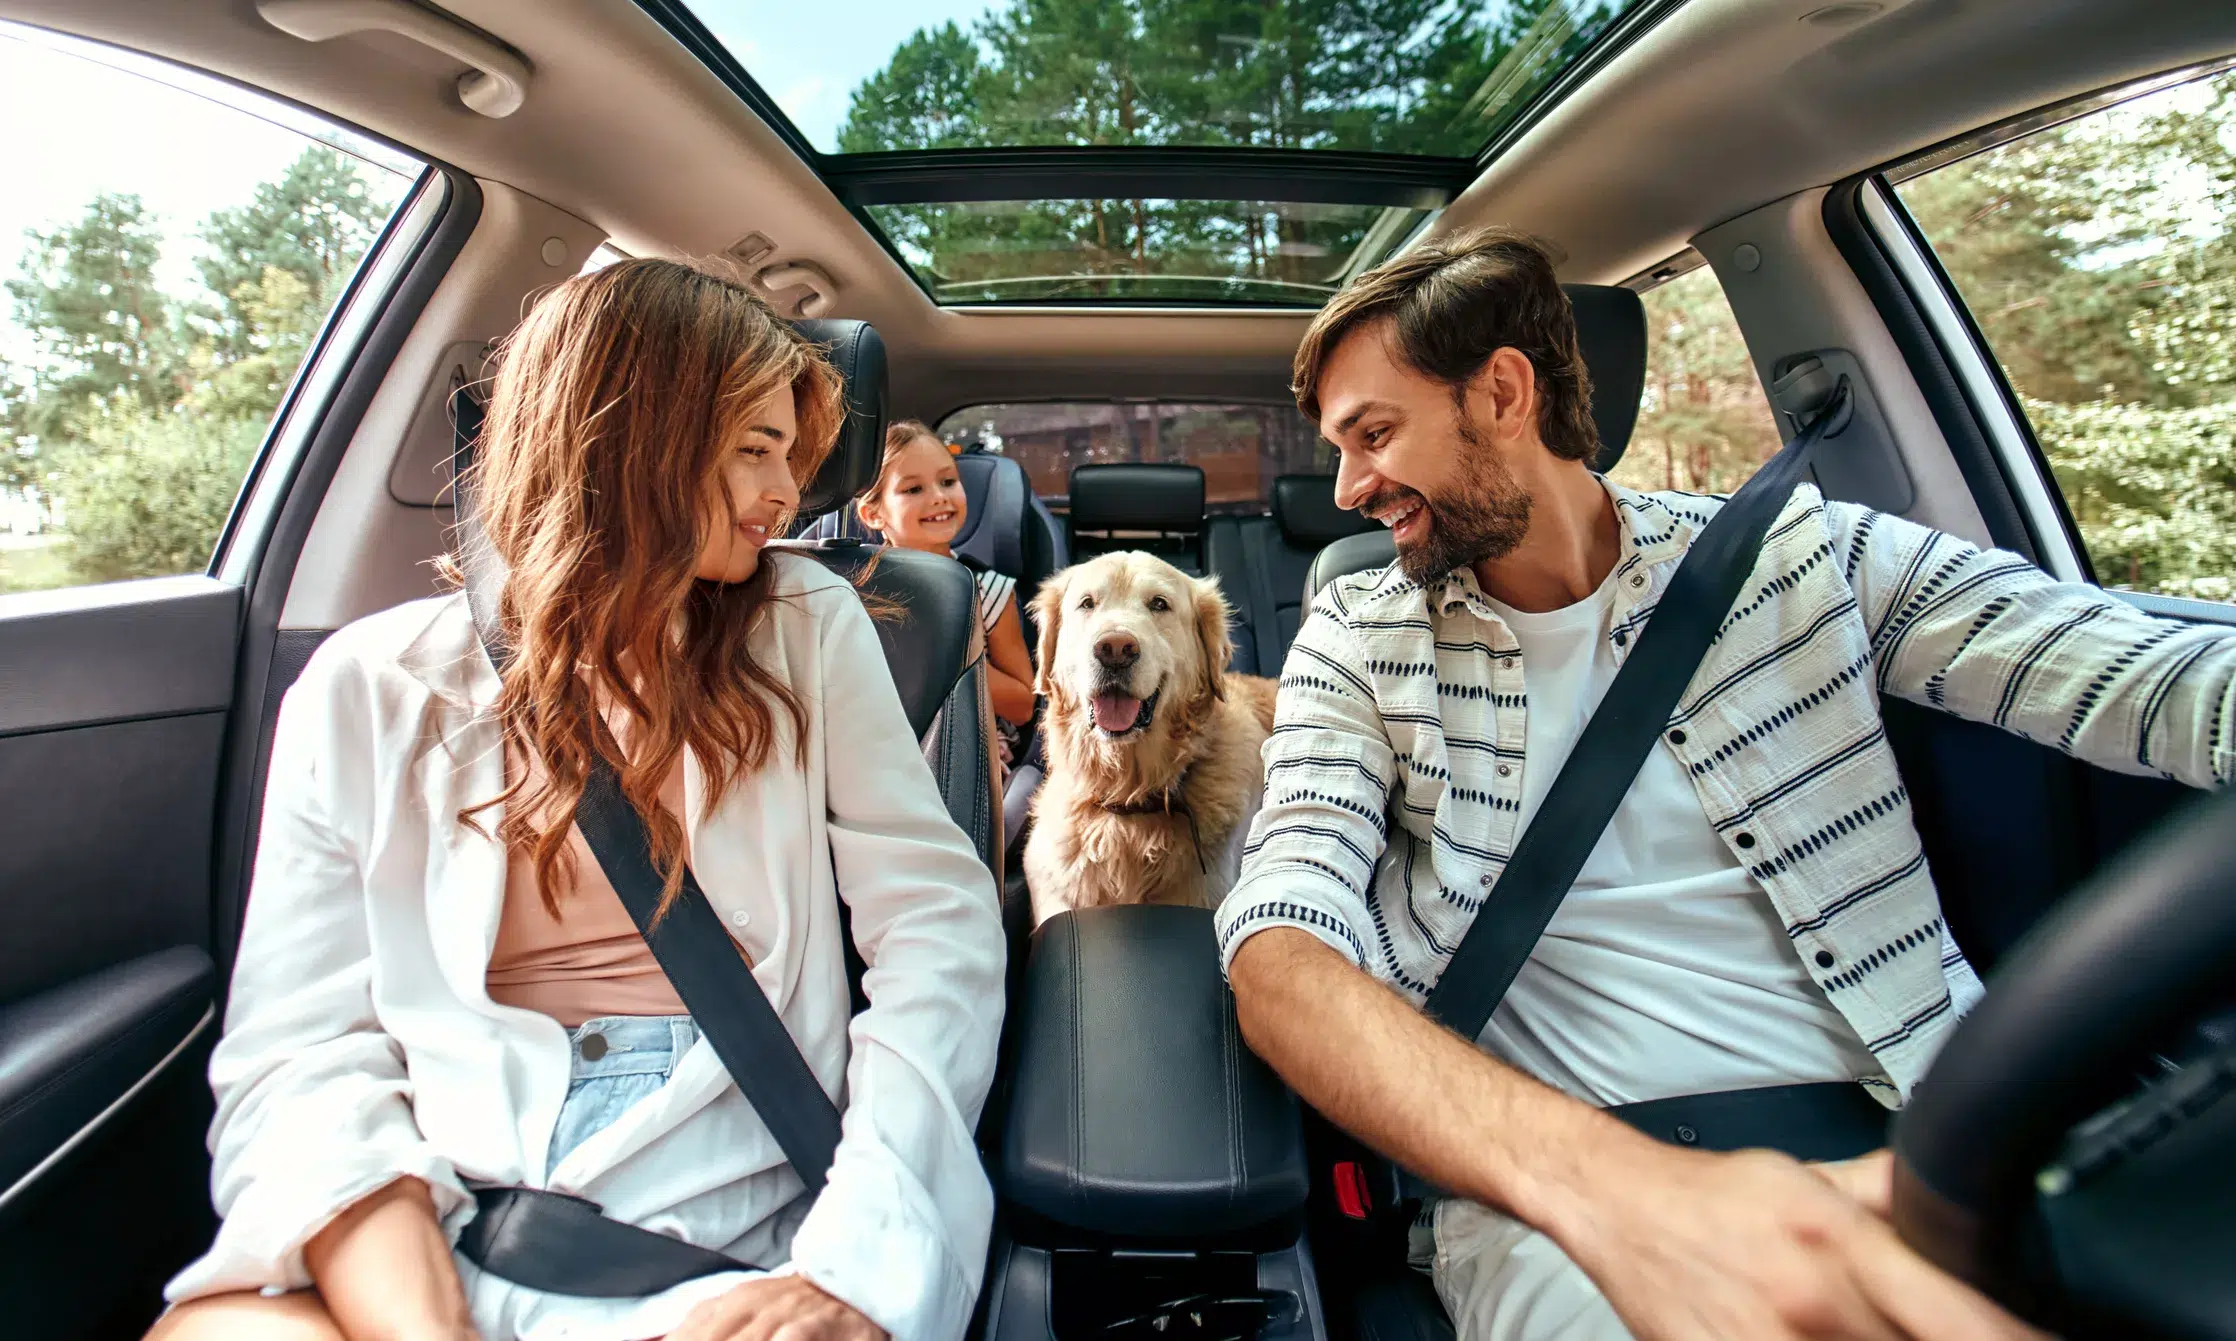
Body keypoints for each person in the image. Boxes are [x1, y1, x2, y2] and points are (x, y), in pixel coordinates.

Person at [1217, 227, 2235, 1341]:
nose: (1350, 486)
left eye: (1373, 434)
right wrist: (1632, 1200)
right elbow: (1282, 947)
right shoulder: (1356, 636)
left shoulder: (1802, 556)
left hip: (1929, 1145)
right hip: (1571, 1197)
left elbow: (2156, 679)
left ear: (1502, 392)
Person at [150, 259, 1006, 1341]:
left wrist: (855, 1267)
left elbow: (936, 930)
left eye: (789, 455)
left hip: (716, 1224)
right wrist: (421, 1318)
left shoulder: (808, 627)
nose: (786, 495)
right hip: (433, 1202)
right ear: (620, 438)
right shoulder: (367, 687)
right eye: (753, 450)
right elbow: (301, 1052)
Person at [854, 421, 1037, 761]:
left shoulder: (990, 591)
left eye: (948, 482)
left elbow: (1023, 706)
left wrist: (947, 655)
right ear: (873, 514)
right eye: (913, 490)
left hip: (964, 750)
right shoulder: (855, 593)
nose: (939, 497)